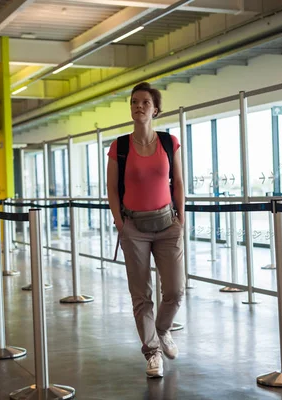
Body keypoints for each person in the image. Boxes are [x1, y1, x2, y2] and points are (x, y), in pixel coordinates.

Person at [106, 82, 185, 378]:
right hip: (134, 227)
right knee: (141, 295)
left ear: (155, 109)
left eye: (145, 103)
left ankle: (162, 330)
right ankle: (152, 352)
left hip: (168, 225)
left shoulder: (169, 142)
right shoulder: (120, 146)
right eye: (134, 102)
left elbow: (178, 182)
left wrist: (181, 220)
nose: (138, 106)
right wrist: (120, 223)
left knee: (175, 291)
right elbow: (112, 189)